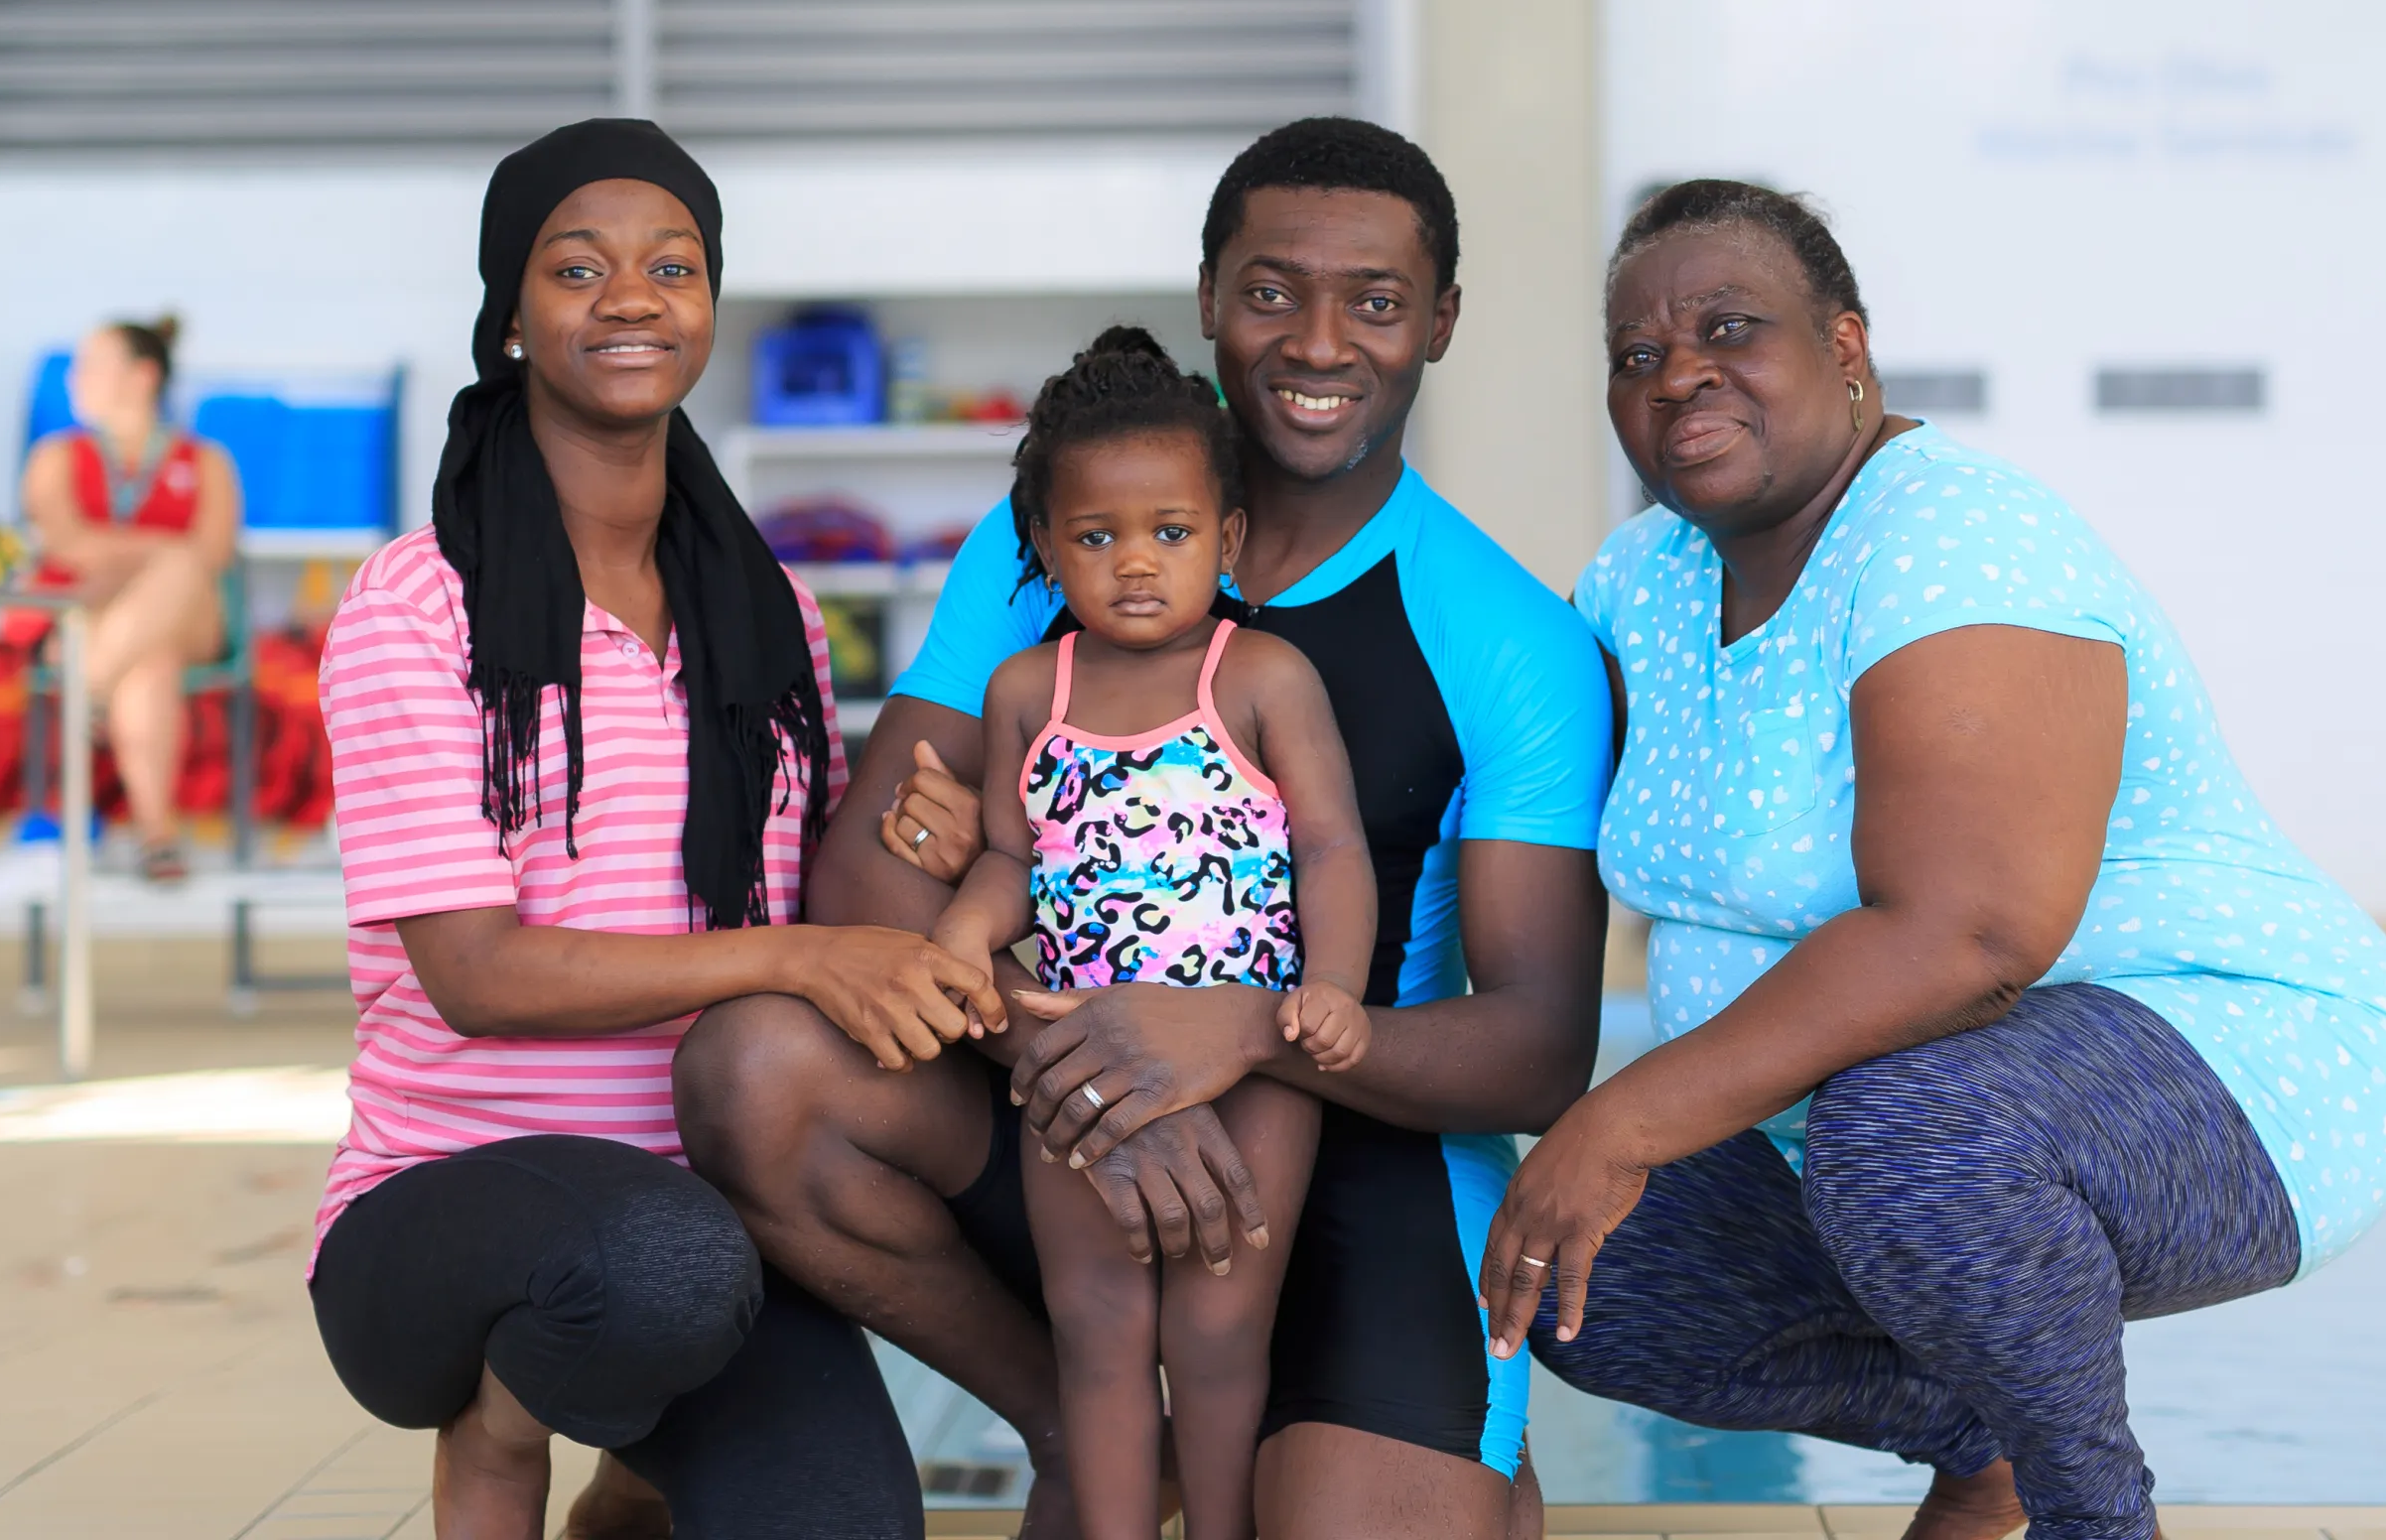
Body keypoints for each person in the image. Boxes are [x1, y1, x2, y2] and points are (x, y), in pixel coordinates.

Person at [674, 118, 1619, 1540]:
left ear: (1440, 321)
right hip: (1052, 1101)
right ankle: (1080, 1426)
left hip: (1360, 1144)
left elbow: (1540, 1046)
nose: (1315, 341)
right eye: (1269, 291)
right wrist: (1087, 1066)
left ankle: (1414, 1452)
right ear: (1207, 298)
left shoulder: (1507, 640)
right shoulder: (1057, 539)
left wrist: (1237, 1032)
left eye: (1372, 300)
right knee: (756, 1067)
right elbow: (867, 872)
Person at [1481, 180, 2386, 1540]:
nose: (1680, 371)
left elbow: (1971, 938)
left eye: (1730, 327)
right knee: (1575, 1265)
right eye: (1639, 355)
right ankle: (1973, 1440)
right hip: (1857, 1126)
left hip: (2239, 1062)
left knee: (1904, 1132)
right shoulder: (1639, 581)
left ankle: (2095, 1515)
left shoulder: (1957, 539)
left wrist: (1619, 1119)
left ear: (1847, 347)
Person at [307, 118, 1003, 1540]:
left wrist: (924, 845)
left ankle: (627, 1480)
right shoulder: (417, 607)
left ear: (706, 307)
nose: (630, 297)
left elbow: (797, 901)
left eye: (671, 268)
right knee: (655, 1265)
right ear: (510, 320)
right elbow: (479, 974)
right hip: (442, 1214)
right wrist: (802, 956)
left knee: (848, 1520)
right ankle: (505, 1426)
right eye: (579, 270)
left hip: (717, 1216)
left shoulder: (771, 618)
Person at [924, 326, 1378, 1540]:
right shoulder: (1032, 691)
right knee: (1100, 1329)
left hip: (1253, 1064)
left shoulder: (1261, 676)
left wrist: (1331, 984)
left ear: (1226, 541)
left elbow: (1332, 844)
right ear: (1045, 548)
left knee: (1222, 1331)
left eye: (1170, 533)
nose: (1136, 564)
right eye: (1097, 536)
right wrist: (965, 937)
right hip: (1077, 1073)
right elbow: (1015, 858)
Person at [20, 315, 241, 884]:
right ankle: (157, 836)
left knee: (183, 567)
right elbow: (66, 544)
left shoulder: (206, 460)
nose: (76, 378)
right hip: (97, 622)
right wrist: (164, 551)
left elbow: (212, 552)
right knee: (149, 662)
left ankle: (89, 685)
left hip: (176, 619)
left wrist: (132, 559)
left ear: (143, 375)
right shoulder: (55, 456)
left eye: (93, 365)